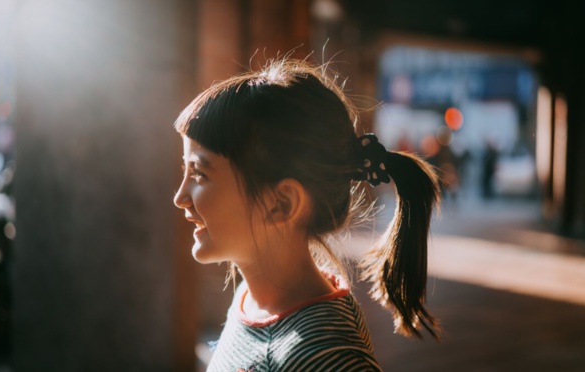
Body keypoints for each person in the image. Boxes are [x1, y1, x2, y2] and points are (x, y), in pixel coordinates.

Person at [173, 58, 441, 371]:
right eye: (185, 169)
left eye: (200, 173)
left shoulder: (327, 358)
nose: (180, 197)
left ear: (281, 204)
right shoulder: (251, 297)